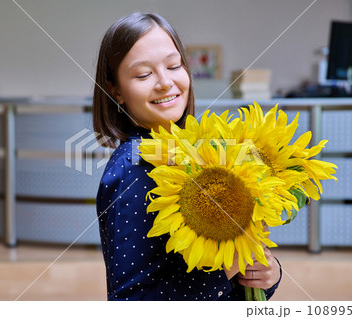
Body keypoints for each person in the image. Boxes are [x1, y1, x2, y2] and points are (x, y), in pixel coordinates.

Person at [93, 12, 282, 301]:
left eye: (173, 65)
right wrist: (225, 271)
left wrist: (264, 276)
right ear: (115, 91)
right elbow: (129, 300)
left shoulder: (191, 153)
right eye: (144, 74)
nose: (165, 82)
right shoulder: (133, 168)